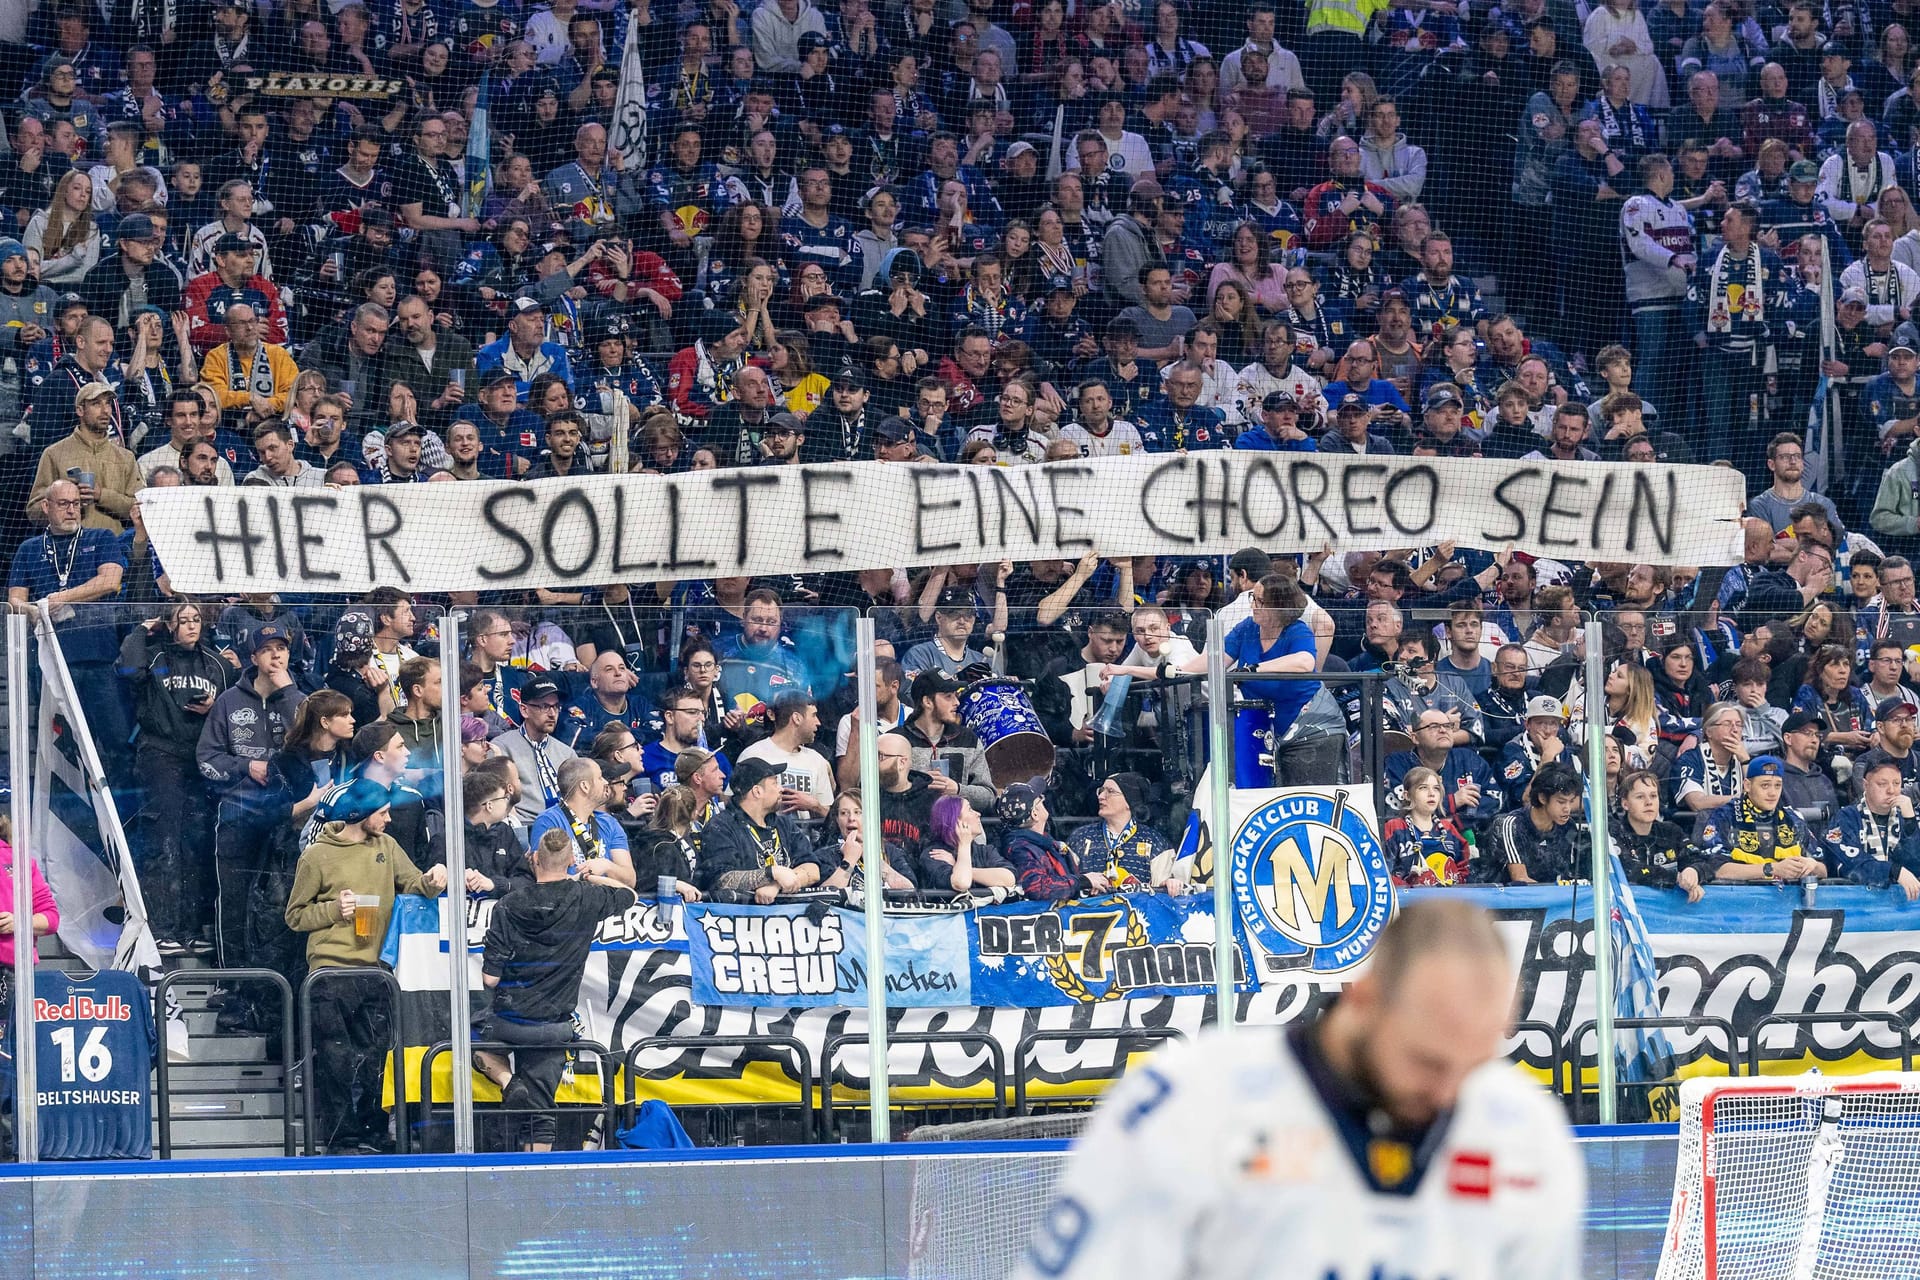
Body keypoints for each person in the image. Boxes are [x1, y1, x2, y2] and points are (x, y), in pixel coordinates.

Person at [1012, 899, 1581, 1279]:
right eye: (1428, 1062)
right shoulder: (1191, 1101)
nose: (1451, 1092)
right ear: (1362, 997)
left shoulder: (1527, 1137)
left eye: (1476, 1063)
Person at [284, 778, 448, 1155]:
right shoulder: (317, 856)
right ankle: (341, 1138)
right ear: (359, 815)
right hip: (329, 974)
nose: (389, 819)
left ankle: (374, 1132)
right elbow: (294, 916)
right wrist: (330, 910)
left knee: (377, 1058)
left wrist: (432, 878)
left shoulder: (387, 847)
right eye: (383, 812)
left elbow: (413, 883)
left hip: (376, 973)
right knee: (336, 1061)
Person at [474, 827, 636, 1153]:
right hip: (554, 1025)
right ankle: (536, 1179)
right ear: (573, 860)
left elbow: (490, 980)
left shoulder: (508, 905)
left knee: (472, 1037)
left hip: (510, 1021)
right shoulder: (587, 897)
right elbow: (630, 894)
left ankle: (508, 1082)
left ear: (534, 859)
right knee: (542, 1104)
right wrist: (592, 877)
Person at [696, 757, 830, 902]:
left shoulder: (783, 823)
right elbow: (721, 880)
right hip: (742, 917)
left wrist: (776, 885)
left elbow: (813, 869)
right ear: (757, 792)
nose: (781, 789)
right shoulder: (721, 827)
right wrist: (770, 873)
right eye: (775, 783)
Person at [1697, 755, 1826, 882]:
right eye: (1765, 785)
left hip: (1787, 898)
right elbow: (1716, 869)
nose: (1772, 793)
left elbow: (1823, 870)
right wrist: (1771, 869)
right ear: (1747, 786)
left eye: (1777, 786)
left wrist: (1812, 865)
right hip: (1739, 897)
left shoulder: (1793, 818)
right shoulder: (1725, 815)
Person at [527, 757, 638, 888]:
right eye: (600, 778)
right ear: (585, 786)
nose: (605, 783)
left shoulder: (609, 823)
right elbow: (546, 878)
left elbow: (630, 880)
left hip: (606, 903)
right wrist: (589, 878)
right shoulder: (549, 821)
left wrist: (607, 866)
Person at [1064, 772, 1179, 892]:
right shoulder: (1081, 837)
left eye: (1110, 791)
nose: (1101, 796)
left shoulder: (1155, 842)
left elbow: (1162, 896)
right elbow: (1065, 883)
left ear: (1129, 802)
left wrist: (1169, 884)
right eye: (1101, 790)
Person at [490, 675, 579, 825]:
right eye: (544, 706)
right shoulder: (502, 747)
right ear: (524, 710)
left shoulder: (567, 753)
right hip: (527, 825)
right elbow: (498, 800)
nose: (552, 714)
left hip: (567, 826)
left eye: (556, 706)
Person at [999, 781, 1110, 901]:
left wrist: (1088, 884)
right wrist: (1082, 881)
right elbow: (1038, 889)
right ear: (1034, 814)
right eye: (1040, 799)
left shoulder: (1044, 842)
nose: (1044, 800)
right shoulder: (1019, 849)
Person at [734, 692, 835, 818]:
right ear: (797, 718)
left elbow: (831, 817)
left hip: (806, 836)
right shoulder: (753, 754)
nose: (818, 722)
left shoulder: (817, 760)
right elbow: (732, 805)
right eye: (813, 715)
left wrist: (814, 806)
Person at [1482, 761, 1585, 883]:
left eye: (1571, 801)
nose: (1567, 808)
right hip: (1506, 897)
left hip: (1551, 897)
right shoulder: (1511, 825)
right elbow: (1520, 879)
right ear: (1542, 798)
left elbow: (1564, 877)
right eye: (1561, 802)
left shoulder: (1569, 827)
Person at [1380, 765, 1475, 886]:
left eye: (1436, 788)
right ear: (1407, 795)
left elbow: (1464, 869)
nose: (1431, 794)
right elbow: (1382, 871)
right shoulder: (1394, 828)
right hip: (1406, 901)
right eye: (1423, 788)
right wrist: (1409, 888)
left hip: (1447, 900)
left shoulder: (1448, 829)